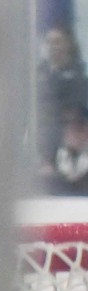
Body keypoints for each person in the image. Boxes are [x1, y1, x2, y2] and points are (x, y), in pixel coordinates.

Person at [39, 26, 88, 184]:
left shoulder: (81, 81)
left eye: (58, 42)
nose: (53, 46)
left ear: (68, 44)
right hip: (45, 149)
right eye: (49, 42)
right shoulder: (37, 80)